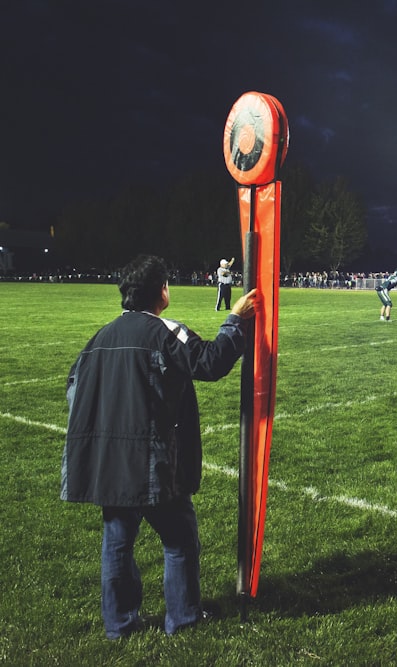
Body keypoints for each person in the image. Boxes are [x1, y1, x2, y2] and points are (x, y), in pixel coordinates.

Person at [61, 254, 257, 640]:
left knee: (117, 542)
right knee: (180, 537)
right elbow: (211, 362)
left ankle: (119, 625)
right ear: (161, 291)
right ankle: (182, 619)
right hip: (150, 462)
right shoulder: (165, 332)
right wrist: (235, 319)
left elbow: (74, 388)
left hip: (109, 463)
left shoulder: (100, 338)